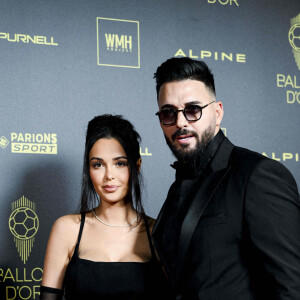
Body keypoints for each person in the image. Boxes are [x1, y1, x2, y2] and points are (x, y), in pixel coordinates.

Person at [151, 57, 300, 299]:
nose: (180, 122)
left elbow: (292, 288)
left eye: (193, 110)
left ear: (217, 112)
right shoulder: (176, 189)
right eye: (168, 113)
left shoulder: (257, 176)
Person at [40, 114, 171, 299]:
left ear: (137, 166)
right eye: (98, 164)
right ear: (89, 169)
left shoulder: (158, 232)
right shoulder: (67, 229)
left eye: (119, 163)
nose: (109, 175)